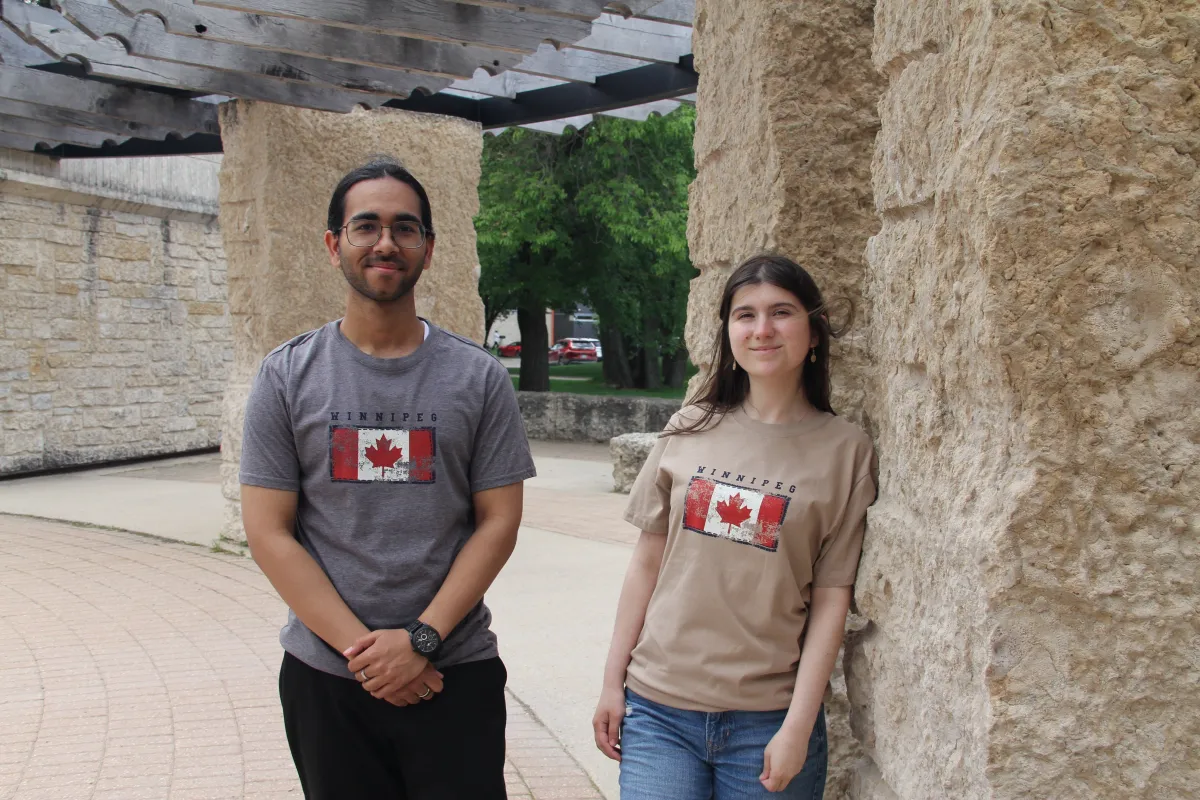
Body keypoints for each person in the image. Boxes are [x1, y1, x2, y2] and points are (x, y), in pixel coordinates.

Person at [239, 157, 536, 799]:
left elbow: (499, 522)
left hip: (453, 671)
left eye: (405, 229)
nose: (385, 243)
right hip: (327, 679)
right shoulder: (286, 377)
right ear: (333, 245)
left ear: (427, 250)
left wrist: (421, 640)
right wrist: (369, 658)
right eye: (365, 226)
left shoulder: (478, 378)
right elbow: (268, 532)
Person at [592, 254, 877, 798]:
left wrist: (798, 725)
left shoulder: (846, 451)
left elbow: (832, 597)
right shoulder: (689, 427)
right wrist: (612, 683)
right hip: (659, 713)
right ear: (729, 332)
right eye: (745, 315)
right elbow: (646, 564)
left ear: (813, 332)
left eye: (781, 312)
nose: (762, 329)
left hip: (767, 720)